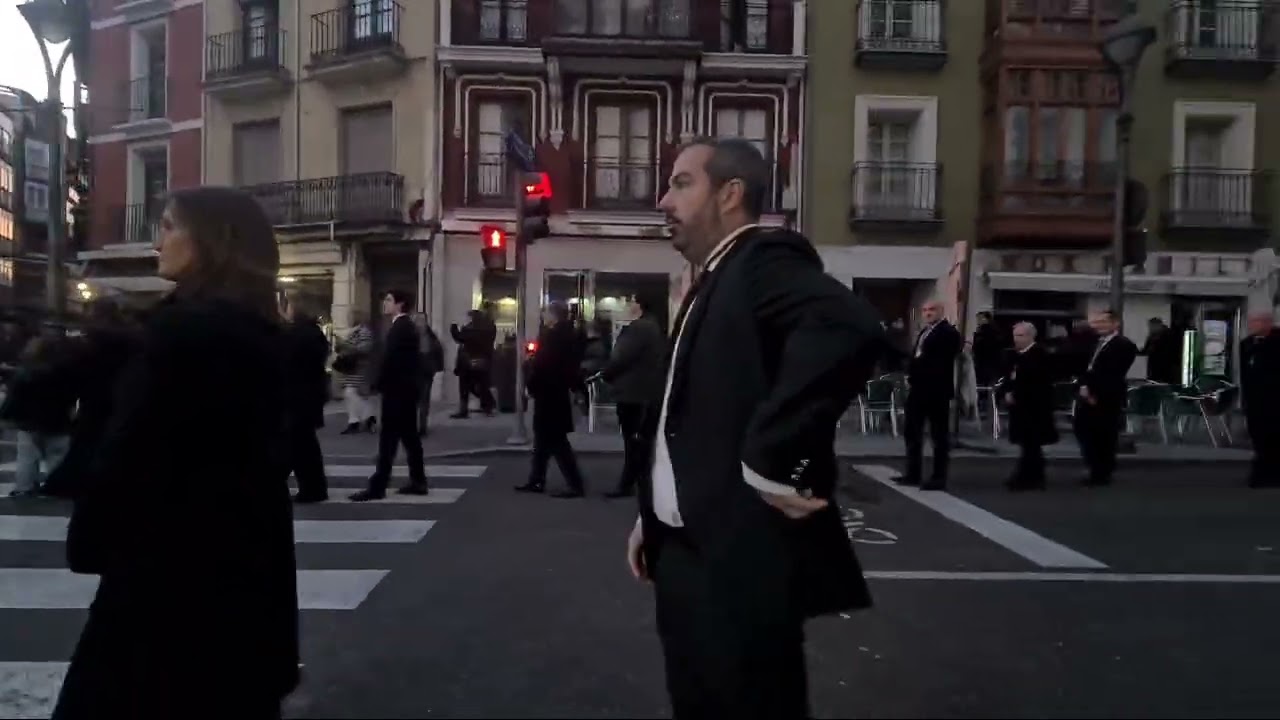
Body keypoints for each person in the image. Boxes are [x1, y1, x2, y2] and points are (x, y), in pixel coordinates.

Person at [627, 137, 883, 719]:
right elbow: (689, 413)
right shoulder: (714, 277)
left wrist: (777, 457)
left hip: (737, 565)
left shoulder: (762, 261)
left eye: (681, 183)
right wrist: (654, 512)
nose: (664, 199)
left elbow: (849, 327)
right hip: (685, 555)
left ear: (731, 194)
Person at [56, 186, 300, 719]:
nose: (157, 238)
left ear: (213, 242)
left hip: (165, 587)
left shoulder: (183, 336)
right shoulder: (258, 335)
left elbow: (130, 456)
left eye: (169, 225)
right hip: (237, 588)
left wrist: (95, 533)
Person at [350, 290, 428, 501]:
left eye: (389, 300)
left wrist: (376, 384)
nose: (384, 303)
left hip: (397, 393)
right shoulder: (404, 327)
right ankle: (418, 481)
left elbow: (390, 361)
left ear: (400, 304)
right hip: (406, 391)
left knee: (388, 441)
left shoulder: (399, 328)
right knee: (409, 438)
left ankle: (378, 486)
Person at [515, 301, 587, 497]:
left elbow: (545, 365)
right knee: (543, 441)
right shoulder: (566, 334)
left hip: (550, 394)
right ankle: (536, 479)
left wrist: (531, 377)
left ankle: (575, 484)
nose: (543, 316)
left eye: (546, 313)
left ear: (554, 316)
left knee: (556, 441)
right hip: (555, 392)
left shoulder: (555, 336)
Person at [598, 293, 667, 499]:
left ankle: (631, 485)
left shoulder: (638, 329)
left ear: (639, 305)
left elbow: (621, 357)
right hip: (646, 392)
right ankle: (640, 484)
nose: (626, 305)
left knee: (634, 443)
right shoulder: (653, 327)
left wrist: (606, 374)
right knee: (640, 443)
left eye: (630, 301)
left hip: (633, 393)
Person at [896, 299, 962, 490]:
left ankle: (938, 477)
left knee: (938, 435)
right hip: (918, 390)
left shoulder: (948, 333)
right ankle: (913, 473)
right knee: (912, 432)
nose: (928, 313)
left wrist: (917, 368)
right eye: (925, 310)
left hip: (936, 391)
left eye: (932, 310)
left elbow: (938, 361)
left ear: (941, 311)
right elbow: (918, 356)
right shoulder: (925, 332)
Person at [1073, 310, 1137, 487]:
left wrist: (1094, 393)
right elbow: (1087, 367)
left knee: (1104, 434)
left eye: (1103, 322)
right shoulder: (1094, 343)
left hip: (1106, 396)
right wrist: (1083, 385)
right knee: (1083, 430)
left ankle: (1101, 472)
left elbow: (1113, 373)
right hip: (1086, 394)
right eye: (1097, 323)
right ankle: (1093, 466)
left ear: (1115, 324)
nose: (1098, 326)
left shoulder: (1123, 345)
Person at [282, 294, 332, 503]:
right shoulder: (314, 333)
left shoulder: (298, 334)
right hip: (309, 395)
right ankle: (314, 487)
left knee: (298, 444)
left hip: (299, 396)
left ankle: (312, 489)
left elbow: (289, 363)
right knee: (304, 444)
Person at [1003, 322, 1058, 491]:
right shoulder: (1018, 355)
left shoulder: (1039, 355)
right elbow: (1011, 377)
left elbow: (1037, 383)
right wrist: (1007, 391)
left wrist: (1016, 394)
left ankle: (1028, 478)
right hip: (1021, 408)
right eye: (1015, 335)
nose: (1016, 339)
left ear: (1030, 336)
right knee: (1028, 445)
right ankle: (1031, 476)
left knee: (1031, 444)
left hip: (1034, 408)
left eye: (1020, 336)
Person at [1240, 311, 1280, 488]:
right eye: (1252, 322)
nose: (1253, 325)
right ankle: (1262, 473)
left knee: (1273, 438)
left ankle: (1269, 474)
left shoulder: (1277, 342)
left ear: (1268, 323)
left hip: (1274, 400)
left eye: (1257, 322)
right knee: (1258, 436)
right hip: (1255, 400)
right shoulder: (1247, 344)